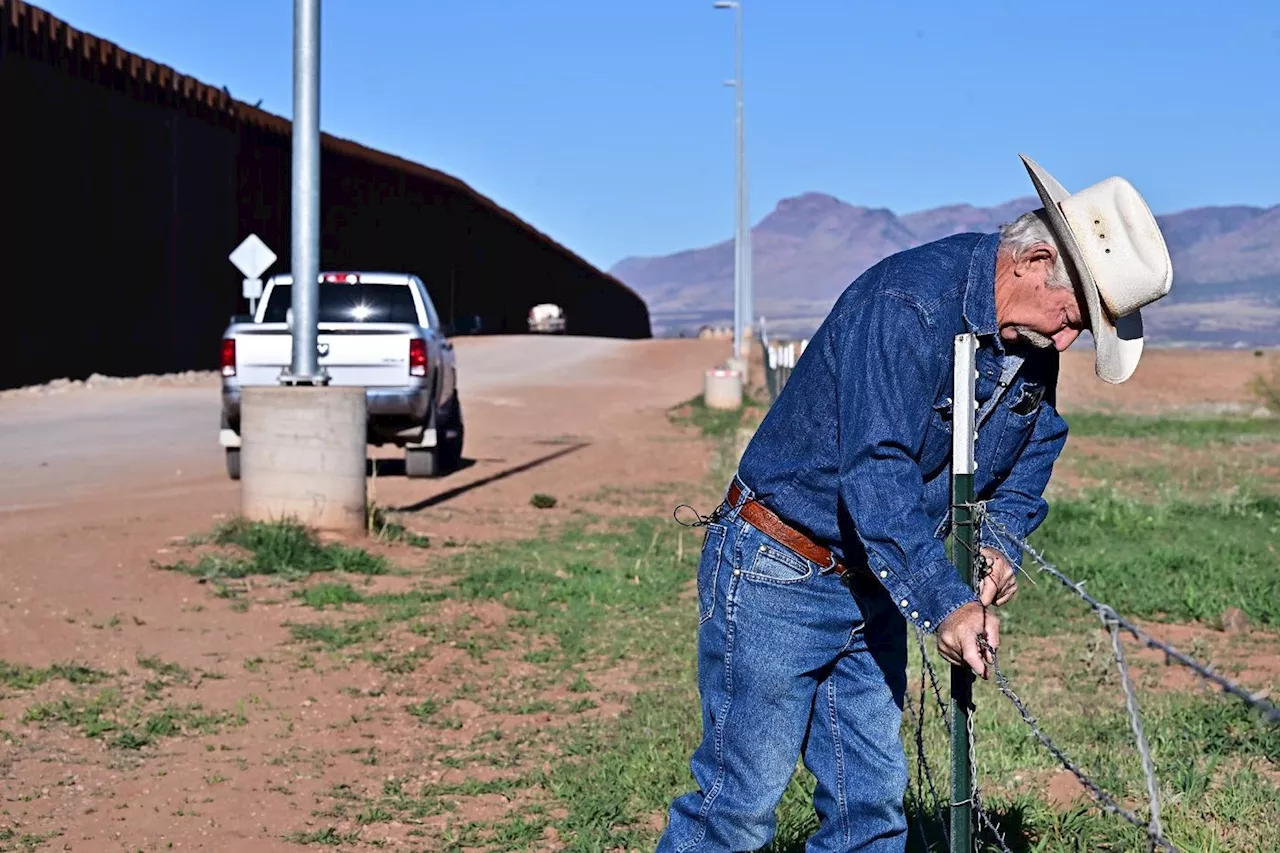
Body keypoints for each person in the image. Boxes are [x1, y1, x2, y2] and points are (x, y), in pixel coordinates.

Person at [657, 154, 1174, 853]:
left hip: (871, 581)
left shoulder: (1029, 340)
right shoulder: (906, 306)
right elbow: (877, 470)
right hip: (778, 567)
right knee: (739, 806)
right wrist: (947, 602)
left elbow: (1036, 444)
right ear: (1035, 260)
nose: (1066, 339)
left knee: (870, 809)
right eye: (1073, 315)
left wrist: (1003, 541)